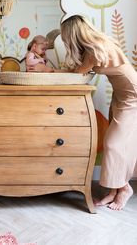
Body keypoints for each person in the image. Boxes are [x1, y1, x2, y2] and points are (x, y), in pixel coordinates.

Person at [59, 14, 137, 210]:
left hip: (133, 96)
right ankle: (113, 192)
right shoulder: (92, 49)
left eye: (65, 37)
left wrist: (50, 72)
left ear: (73, 34)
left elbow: (77, 75)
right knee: (119, 145)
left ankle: (125, 188)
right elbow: (79, 71)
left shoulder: (96, 50)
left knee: (113, 144)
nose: (64, 41)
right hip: (121, 95)